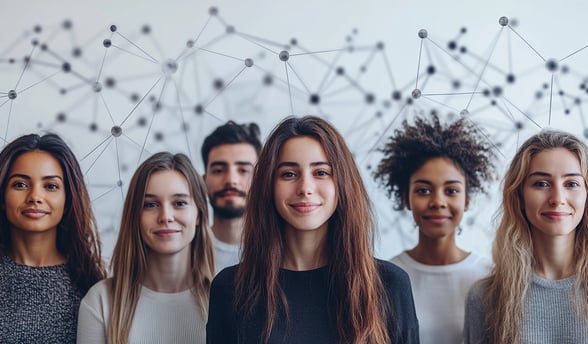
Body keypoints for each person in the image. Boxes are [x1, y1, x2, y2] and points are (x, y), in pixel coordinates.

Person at [207, 115, 419, 344]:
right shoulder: (230, 289)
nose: (305, 188)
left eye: (321, 173)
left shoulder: (389, 285)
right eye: (289, 174)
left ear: (342, 184)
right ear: (269, 185)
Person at [464, 130, 588, 343]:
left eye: (571, 184)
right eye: (541, 184)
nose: (557, 198)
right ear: (519, 196)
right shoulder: (485, 297)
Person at [374, 114, 497, 344]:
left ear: (467, 199)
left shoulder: (490, 277)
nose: (438, 202)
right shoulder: (385, 279)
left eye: (451, 191)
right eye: (423, 190)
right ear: (405, 198)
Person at [77, 152, 214, 344]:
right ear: (135, 216)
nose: (165, 216)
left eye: (180, 203)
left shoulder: (226, 300)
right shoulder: (100, 301)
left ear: (199, 214)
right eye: (150, 204)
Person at [0, 133, 106, 343]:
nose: (35, 197)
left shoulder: (91, 288)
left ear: (68, 199)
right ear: (2, 195)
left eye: (51, 186)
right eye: (20, 184)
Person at [201, 121, 262, 274]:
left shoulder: (284, 253)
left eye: (243, 170)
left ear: (261, 180)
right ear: (203, 181)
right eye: (219, 170)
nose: (231, 180)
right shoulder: (183, 252)